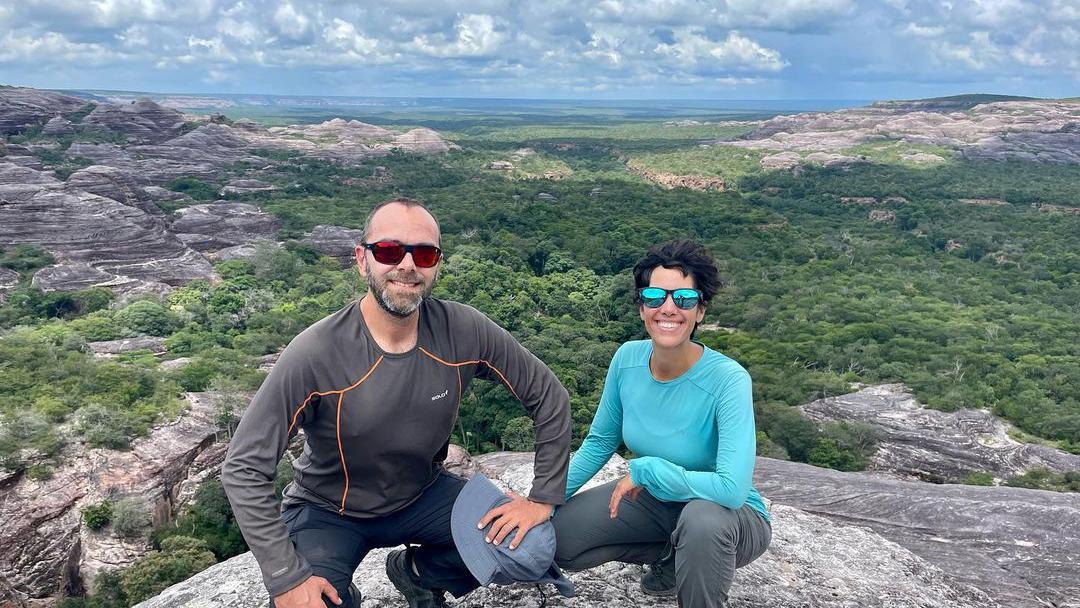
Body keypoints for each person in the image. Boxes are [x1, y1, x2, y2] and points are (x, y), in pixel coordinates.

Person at [222, 197, 571, 608]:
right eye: (389, 251)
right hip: (329, 509)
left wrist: (542, 498)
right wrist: (286, 578)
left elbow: (549, 396)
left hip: (423, 494)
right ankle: (340, 589)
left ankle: (417, 573)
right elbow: (244, 466)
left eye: (423, 253)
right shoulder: (316, 352)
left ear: (437, 263)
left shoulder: (462, 330)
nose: (407, 265)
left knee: (532, 549)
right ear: (362, 260)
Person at [551, 239, 771, 608]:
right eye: (655, 297)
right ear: (642, 308)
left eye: (683, 299)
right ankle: (671, 554)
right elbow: (600, 441)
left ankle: (694, 572)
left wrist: (649, 471)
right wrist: (544, 498)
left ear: (700, 311)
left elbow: (732, 489)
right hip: (658, 503)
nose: (668, 308)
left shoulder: (728, 379)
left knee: (701, 521)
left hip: (727, 515)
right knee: (555, 540)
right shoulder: (626, 359)